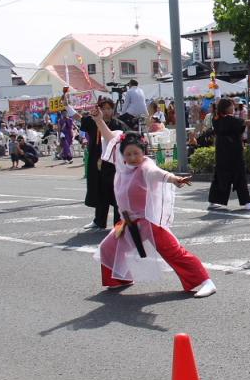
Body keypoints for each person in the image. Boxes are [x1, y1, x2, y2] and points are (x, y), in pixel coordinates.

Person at [86, 107, 216, 298]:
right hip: (127, 222)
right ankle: (120, 279)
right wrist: (98, 120)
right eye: (128, 154)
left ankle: (205, 281)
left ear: (143, 152)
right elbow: (110, 138)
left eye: (136, 153)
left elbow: (158, 173)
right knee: (108, 247)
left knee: (174, 252)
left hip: (148, 222)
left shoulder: (146, 166)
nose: (132, 158)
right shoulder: (122, 163)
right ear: (122, 155)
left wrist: (174, 179)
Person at [73, 97, 125, 230]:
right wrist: (66, 105)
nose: (107, 111)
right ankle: (99, 221)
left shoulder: (118, 124)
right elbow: (79, 118)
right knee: (100, 191)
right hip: (96, 163)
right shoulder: (92, 121)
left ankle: (118, 223)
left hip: (112, 164)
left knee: (116, 192)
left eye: (109, 108)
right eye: (104, 108)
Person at [208, 98, 250, 211]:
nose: (233, 107)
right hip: (233, 151)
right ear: (226, 108)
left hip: (221, 151)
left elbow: (238, 125)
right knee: (239, 175)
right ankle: (247, 202)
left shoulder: (216, 118)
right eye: (231, 106)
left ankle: (213, 200)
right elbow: (245, 123)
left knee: (220, 175)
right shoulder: (229, 119)